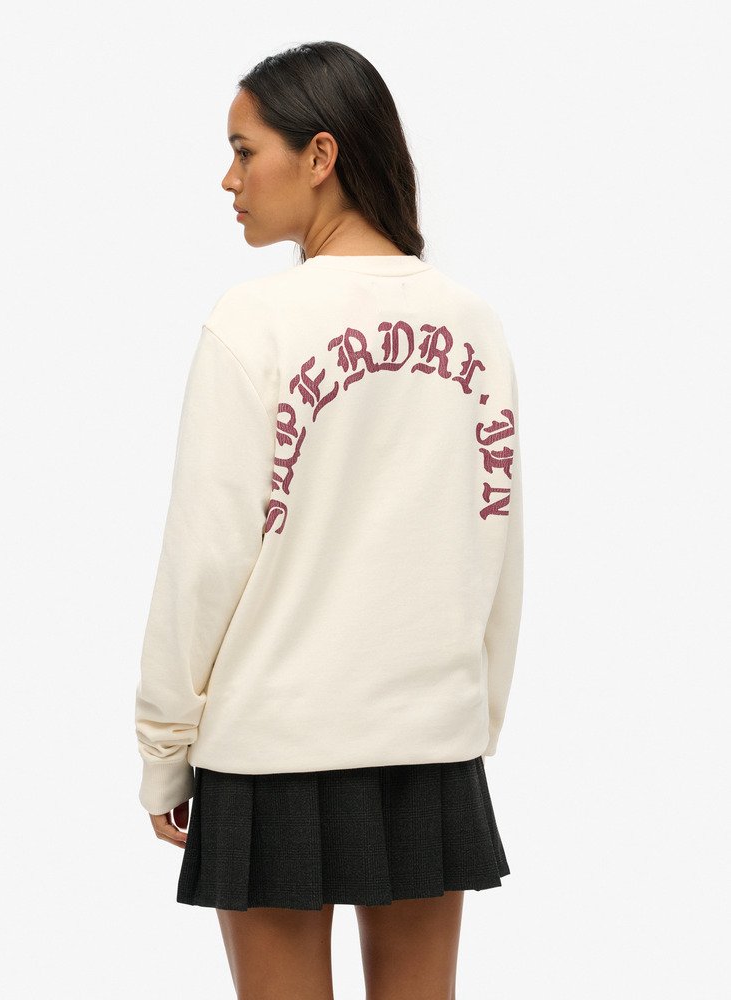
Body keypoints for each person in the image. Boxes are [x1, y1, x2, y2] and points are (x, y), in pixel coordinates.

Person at [134, 40, 524, 1000]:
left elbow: (204, 562)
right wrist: (469, 721)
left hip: (273, 746)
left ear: (320, 155)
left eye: (244, 150)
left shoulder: (254, 323)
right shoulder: (473, 324)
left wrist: (164, 751)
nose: (228, 179)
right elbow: (496, 549)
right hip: (428, 745)